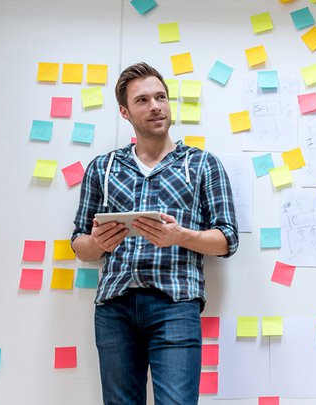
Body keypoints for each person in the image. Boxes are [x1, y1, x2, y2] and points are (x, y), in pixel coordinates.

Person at [71, 62, 238, 404]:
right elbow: (79, 245)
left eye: (161, 97)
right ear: (125, 111)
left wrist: (180, 237)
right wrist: (98, 243)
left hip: (175, 304)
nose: (155, 106)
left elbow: (227, 240)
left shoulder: (202, 164)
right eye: (143, 100)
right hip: (114, 307)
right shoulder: (102, 168)